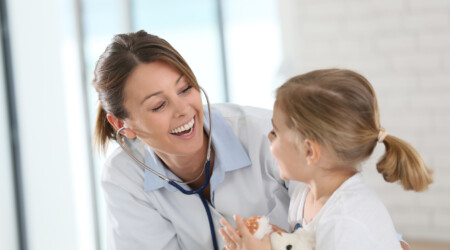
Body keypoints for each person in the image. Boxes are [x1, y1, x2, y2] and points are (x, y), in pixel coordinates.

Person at [91, 30, 296, 250]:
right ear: (122, 125)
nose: (183, 110)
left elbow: (328, 231)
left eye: (185, 89)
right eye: (159, 105)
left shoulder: (271, 135)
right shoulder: (124, 177)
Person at [219, 69, 433, 250]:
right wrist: (277, 239)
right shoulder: (304, 196)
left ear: (309, 151)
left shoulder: (345, 222)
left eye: (275, 132)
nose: (268, 137)